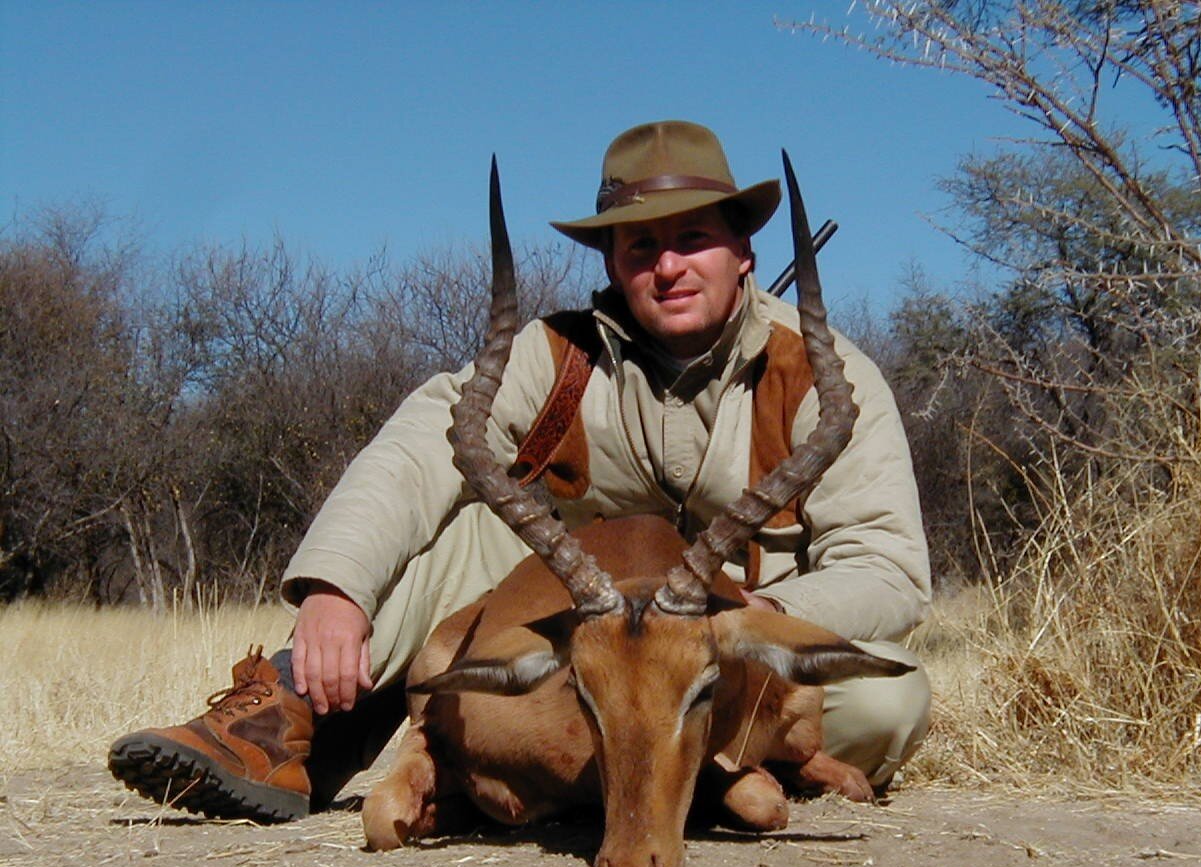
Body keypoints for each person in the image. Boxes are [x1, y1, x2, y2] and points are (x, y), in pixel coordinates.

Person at [109, 120, 933, 822]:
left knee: (886, 703)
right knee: (456, 527)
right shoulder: (558, 357)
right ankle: (284, 727)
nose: (669, 266)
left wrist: (765, 611)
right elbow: (424, 443)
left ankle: (613, 783)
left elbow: (888, 567)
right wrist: (334, 587)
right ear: (612, 261)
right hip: (582, 644)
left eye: (693, 239)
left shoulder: (823, 376)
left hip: (724, 651)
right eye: (641, 244)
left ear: (743, 253)